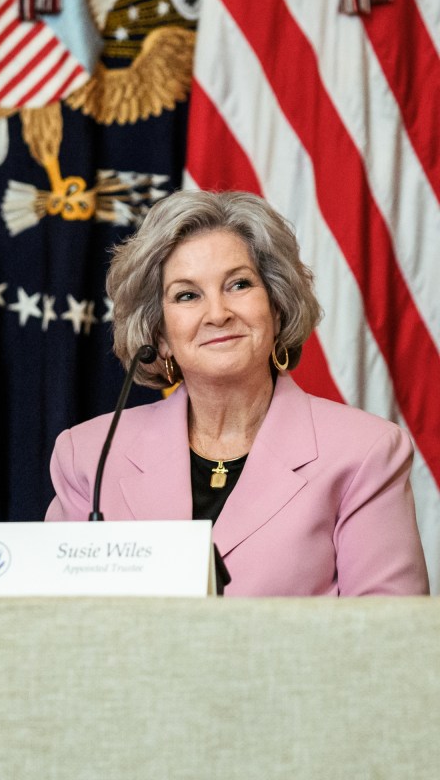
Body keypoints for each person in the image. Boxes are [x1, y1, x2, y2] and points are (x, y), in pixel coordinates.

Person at [46, 190, 429, 596]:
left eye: (239, 285)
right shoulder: (89, 456)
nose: (217, 313)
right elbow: (52, 625)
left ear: (277, 307)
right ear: (159, 335)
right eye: (187, 295)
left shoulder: (364, 452)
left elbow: (390, 640)